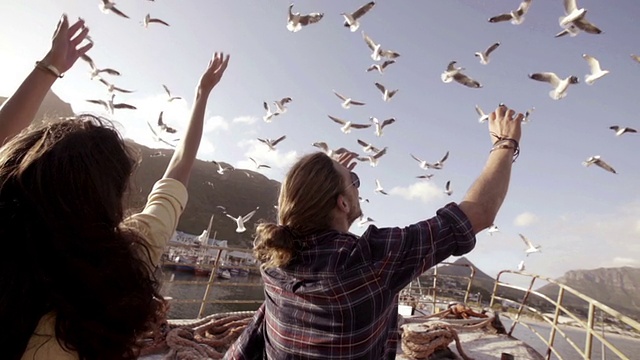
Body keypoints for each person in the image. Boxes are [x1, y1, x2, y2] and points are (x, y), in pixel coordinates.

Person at [0, 14, 230, 360]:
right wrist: (201, 95)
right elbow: (178, 170)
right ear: (108, 199)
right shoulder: (123, 263)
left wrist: (49, 66)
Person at [225, 104, 523, 359]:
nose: (358, 184)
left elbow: (325, 236)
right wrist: (506, 143)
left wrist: (333, 182)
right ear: (341, 203)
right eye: (354, 180)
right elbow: (479, 213)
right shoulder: (373, 258)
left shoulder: (274, 258)